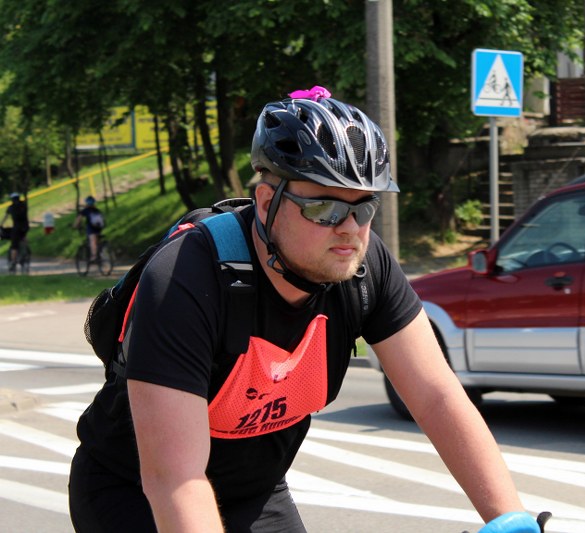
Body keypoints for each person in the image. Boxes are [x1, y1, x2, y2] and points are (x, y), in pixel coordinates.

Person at [68, 88, 542, 533]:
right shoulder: (184, 279)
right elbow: (176, 479)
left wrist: (510, 520)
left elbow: (437, 396)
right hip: (138, 492)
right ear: (267, 202)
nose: (349, 228)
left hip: (256, 490)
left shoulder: (363, 266)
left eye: (364, 207)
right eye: (325, 210)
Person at [1, 192, 30, 272]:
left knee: (14, 246)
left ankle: (13, 262)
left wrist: (1, 225)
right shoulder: (24, 205)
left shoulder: (11, 207)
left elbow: (5, 217)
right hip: (25, 227)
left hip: (16, 228)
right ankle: (26, 251)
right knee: (23, 236)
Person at [74, 196, 104, 261]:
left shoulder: (86, 210)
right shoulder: (97, 210)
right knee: (97, 241)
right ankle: (100, 254)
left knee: (92, 241)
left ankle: (94, 256)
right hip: (99, 228)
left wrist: (75, 226)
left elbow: (79, 218)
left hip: (91, 228)